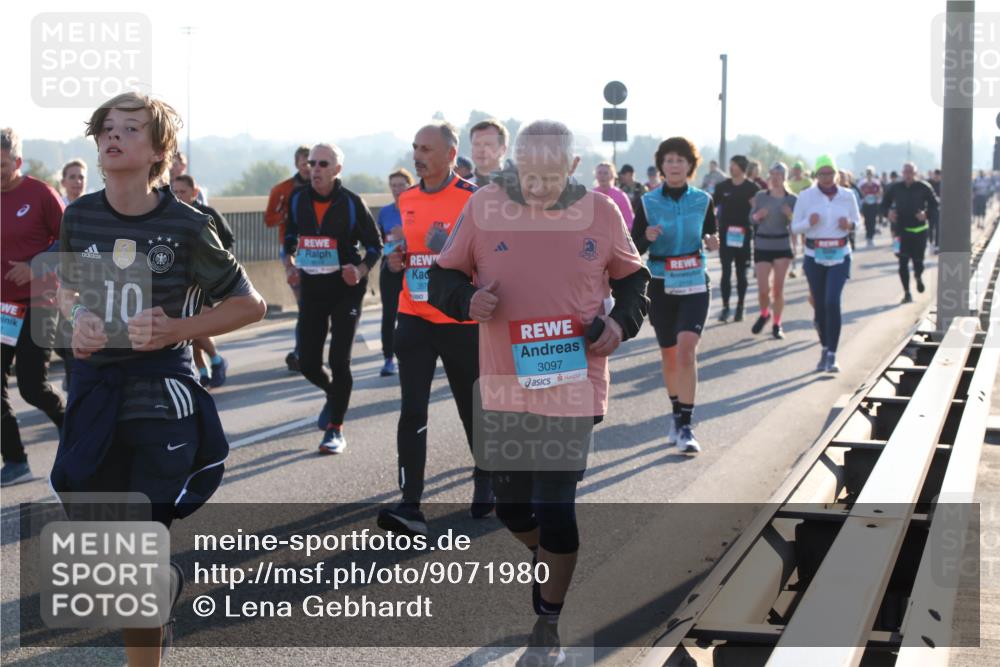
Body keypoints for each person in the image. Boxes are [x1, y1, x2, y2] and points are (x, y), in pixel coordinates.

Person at [50, 92, 266, 665]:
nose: (113, 136)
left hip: (161, 398)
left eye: (130, 129)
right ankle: (162, 586)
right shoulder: (79, 216)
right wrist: (78, 317)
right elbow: (63, 289)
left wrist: (179, 328)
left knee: (137, 552)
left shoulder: (188, 226)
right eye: (107, 127)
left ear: (157, 152)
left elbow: (251, 304)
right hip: (95, 392)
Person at [429, 119, 649, 665]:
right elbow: (442, 277)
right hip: (505, 385)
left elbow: (633, 279)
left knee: (555, 507)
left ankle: (547, 623)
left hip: (575, 382)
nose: (536, 184)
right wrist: (465, 300)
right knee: (512, 509)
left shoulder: (601, 211)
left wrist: (620, 323)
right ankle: (551, 560)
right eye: (527, 173)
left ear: (572, 167)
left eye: (550, 175)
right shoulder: (484, 207)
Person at [376, 121, 490, 537]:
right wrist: (397, 260)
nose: (417, 156)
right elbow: (409, 253)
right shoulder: (406, 198)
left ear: (450, 154)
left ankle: (487, 476)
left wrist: (451, 250)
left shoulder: (474, 199)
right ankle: (410, 504)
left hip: (460, 321)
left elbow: (492, 261)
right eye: (415, 148)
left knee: (472, 408)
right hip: (414, 317)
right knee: (412, 410)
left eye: (426, 149)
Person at [282, 143, 382, 454]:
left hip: (345, 290)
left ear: (337, 169)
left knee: (339, 360)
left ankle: (335, 429)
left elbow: (375, 245)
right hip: (313, 288)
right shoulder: (298, 199)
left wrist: (360, 270)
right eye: (312, 163)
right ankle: (333, 392)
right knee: (307, 363)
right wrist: (289, 264)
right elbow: (289, 238)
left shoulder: (351, 202)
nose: (315, 168)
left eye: (323, 164)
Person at [631, 137, 720, 454]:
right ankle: (676, 412)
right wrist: (646, 237)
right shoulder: (648, 202)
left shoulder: (703, 200)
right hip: (661, 283)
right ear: (661, 166)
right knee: (669, 353)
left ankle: (686, 425)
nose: (674, 165)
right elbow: (633, 247)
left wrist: (713, 241)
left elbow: (710, 233)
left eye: (680, 160)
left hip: (694, 281)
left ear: (690, 165)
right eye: (669, 160)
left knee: (686, 349)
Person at [1, 127, 66, 487]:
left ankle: (74, 432)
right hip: (3, 310)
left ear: (18, 162)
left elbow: (69, 241)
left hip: (39, 303)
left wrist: (35, 266)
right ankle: (15, 460)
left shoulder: (41, 194)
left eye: (2, 165)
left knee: (31, 387)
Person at [791, 154, 859, 373]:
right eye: (822, 174)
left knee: (832, 301)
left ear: (836, 174)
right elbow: (794, 227)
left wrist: (849, 225)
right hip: (814, 256)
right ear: (816, 175)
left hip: (840, 255)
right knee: (819, 305)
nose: (827, 177)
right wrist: (808, 223)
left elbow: (857, 221)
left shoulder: (847, 195)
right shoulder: (806, 196)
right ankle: (824, 347)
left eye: (830, 173)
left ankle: (832, 355)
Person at [171, 174, 235, 388]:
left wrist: (211, 259)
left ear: (194, 193)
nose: (178, 196)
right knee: (189, 328)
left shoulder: (206, 214)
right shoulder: (170, 216)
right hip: (179, 279)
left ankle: (216, 360)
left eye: (183, 192)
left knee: (195, 323)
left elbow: (227, 240)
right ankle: (202, 372)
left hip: (202, 279)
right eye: (175, 192)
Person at [265, 146, 311, 372]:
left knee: (317, 307)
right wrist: (287, 215)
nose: (309, 167)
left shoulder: (324, 188)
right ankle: (301, 352)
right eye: (304, 163)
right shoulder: (283, 189)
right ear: (296, 164)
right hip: (292, 250)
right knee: (305, 306)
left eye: (313, 163)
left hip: (320, 251)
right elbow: (268, 219)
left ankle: (306, 351)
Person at [749, 162, 796, 339]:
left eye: (779, 175)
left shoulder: (792, 199)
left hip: (782, 245)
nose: (775, 178)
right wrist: (757, 216)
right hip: (762, 245)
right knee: (763, 289)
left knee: (778, 290)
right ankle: (764, 314)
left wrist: (790, 215)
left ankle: (777, 324)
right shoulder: (761, 196)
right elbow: (751, 218)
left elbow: (799, 224)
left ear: (784, 177)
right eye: (772, 174)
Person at [882, 162, 939, 303]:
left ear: (915, 173)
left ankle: (918, 276)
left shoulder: (924, 187)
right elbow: (883, 204)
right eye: (906, 172)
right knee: (902, 262)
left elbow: (934, 205)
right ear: (902, 173)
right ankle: (907, 292)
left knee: (918, 261)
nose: (908, 175)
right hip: (901, 231)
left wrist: (926, 214)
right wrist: (888, 213)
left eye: (911, 172)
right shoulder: (895, 188)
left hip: (919, 231)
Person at [377, 168, 415, 376]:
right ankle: (388, 358)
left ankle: (417, 354)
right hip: (391, 267)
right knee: (389, 313)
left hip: (413, 267)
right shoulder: (385, 212)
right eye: (393, 185)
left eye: (401, 185)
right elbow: (379, 240)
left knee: (415, 314)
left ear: (410, 185)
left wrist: (405, 235)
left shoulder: (417, 209)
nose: (397, 189)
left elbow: (426, 240)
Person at [713, 155, 760, 322]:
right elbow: (712, 208)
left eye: (734, 165)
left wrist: (755, 210)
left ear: (742, 167)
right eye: (730, 165)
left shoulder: (752, 188)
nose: (731, 168)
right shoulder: (722, 187)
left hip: (743, 235)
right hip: (725, 234)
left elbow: (757, 212)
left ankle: (740, 306)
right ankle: (725, 307)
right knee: (725, 272)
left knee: (742, 273)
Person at [786, 161, 813, 277]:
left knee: (805, 241)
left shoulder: (808, 182)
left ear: (802, 170)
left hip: (805, 214)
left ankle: (805, 266)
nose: (796, 172)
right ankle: (793, 267)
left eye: (798, 169)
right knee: (793, 242)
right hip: (793, 215)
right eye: (795, 169)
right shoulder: (789, 183)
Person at [592, 161, 635, 230]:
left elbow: (630, 221)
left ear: (612, 176)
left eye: (605, 173)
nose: (602, 176)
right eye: (599, 173)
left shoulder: (621, 195)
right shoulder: (591, 195)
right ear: (596, 176)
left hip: (616, 234)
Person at [469, 118, 509, 187]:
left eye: (488, 144)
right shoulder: (458, 187)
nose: (481, 150)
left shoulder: (517, 188)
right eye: (476, 144)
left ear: (503, 149)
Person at [858, 166, 883, 247]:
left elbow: (880, 193)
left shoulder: (876, 183)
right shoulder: (862, 183)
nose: (869, 175)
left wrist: (876, 196)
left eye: (870, 173)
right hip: (866, 205)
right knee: (867, 221)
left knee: (872, 221)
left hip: (873, 205)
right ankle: (868, 235)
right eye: (868, 173)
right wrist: (864, 196)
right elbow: (860, 193)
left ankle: (870, 237)